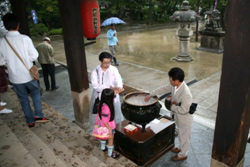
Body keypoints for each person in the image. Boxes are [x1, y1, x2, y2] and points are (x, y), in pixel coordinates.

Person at [0, 13, 48, 127]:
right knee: (36, 92)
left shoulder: (2, 41)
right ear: (18, 25)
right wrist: (27, 60)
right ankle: (38, 115)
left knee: (23, 98)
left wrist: (11, 61)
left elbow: (1, 62)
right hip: (28, 74)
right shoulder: (24, 39)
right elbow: (35, 55)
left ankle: (30, 121)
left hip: (14, 77)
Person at [145, 67, 192, 161]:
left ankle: (183, 154)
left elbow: (184, 110)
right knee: (181, 135)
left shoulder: (186, 93)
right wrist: (151, 94)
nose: (170, 81)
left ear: (177, 80)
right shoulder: (174, 85)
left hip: (184, 119)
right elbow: (163, 89)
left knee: (184, 137)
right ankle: (180, 148)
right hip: (177, 116)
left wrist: (172, 106)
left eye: (171, 79)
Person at [89, 51, 124, 134]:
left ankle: (115, 130)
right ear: (100, 61)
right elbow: (95, 86)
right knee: (103, 116)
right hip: (101, 98)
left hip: (113, 98)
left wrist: (119, 87)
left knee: (114, 114)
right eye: (105, 63)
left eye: (109, 62)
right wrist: (110, 88)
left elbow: (118, 80)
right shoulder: (95, 72)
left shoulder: (113, 69)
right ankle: (102, 132)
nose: (107, 64)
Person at [98, 88, 120, 158]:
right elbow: (105, 120)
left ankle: (103, 148)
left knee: (103, 137)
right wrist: (109, 129)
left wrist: (116, 92)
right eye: (113, 96)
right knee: (110, 139)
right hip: (108, 126)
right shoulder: (106, 109)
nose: (114, 97)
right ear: (109, 99)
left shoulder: (101, 103)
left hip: (102, 125)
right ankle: (110, 153)